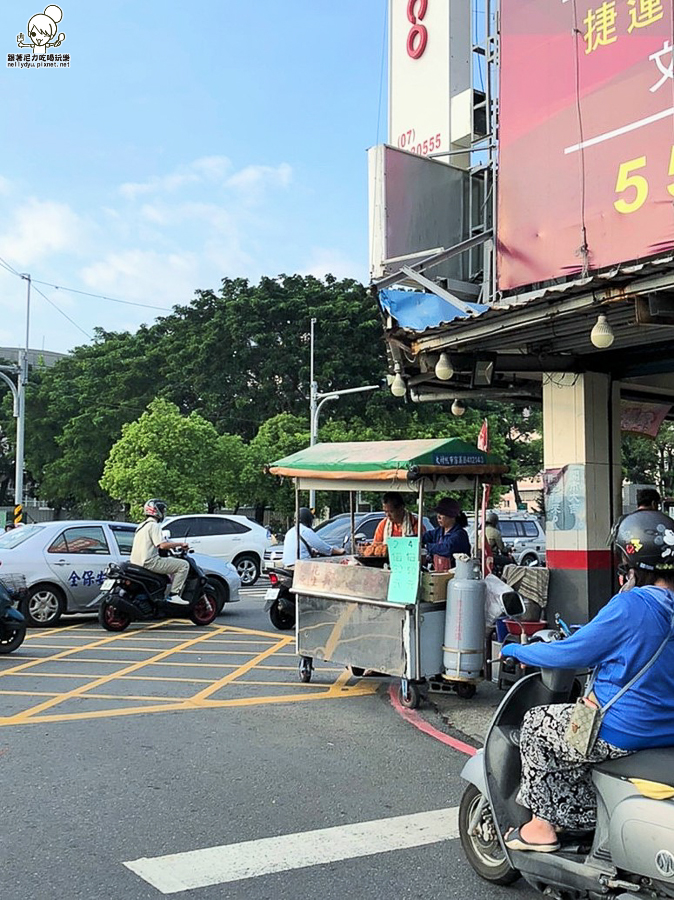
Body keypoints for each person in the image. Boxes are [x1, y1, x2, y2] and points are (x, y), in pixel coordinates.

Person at [500, 509, 674, 853]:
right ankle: (580, 817)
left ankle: (540, 826)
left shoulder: (631, 606)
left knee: (537, 725)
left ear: (631, 562)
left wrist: (518, 652)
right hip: (666, 728)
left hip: (623, 728)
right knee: (574, 729)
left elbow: (570, 655)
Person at [130, 499, 190, 605]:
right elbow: (162, 545)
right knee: (183, 565)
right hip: (150, 562)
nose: (163, 513)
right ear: (156, 511)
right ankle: (174, 595)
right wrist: (180, 544)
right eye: (162, 510)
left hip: (136, 563)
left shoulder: (141, 526)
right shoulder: (154, 526)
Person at [422, 497, 471, 566]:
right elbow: (424, 537)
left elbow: (447, 549)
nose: (438, 517)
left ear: (452, 516)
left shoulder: (460, 534)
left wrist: (427, 546)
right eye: (438, 513)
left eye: (442, 513)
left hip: (457, 573)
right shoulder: (438, 531)